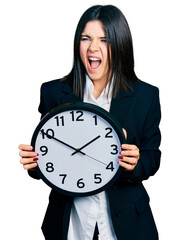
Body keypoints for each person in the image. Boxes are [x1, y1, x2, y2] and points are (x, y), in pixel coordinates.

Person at [19, 5, 161, 240]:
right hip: (71, 224)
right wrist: (36, 164)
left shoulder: (145, 96)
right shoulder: (53, 92)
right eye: (86, 38)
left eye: (104, 40)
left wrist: (134, 162)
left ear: (120, 45)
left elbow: (152, 158)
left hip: (125, 225)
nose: (93, 47)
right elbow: (51, 157)